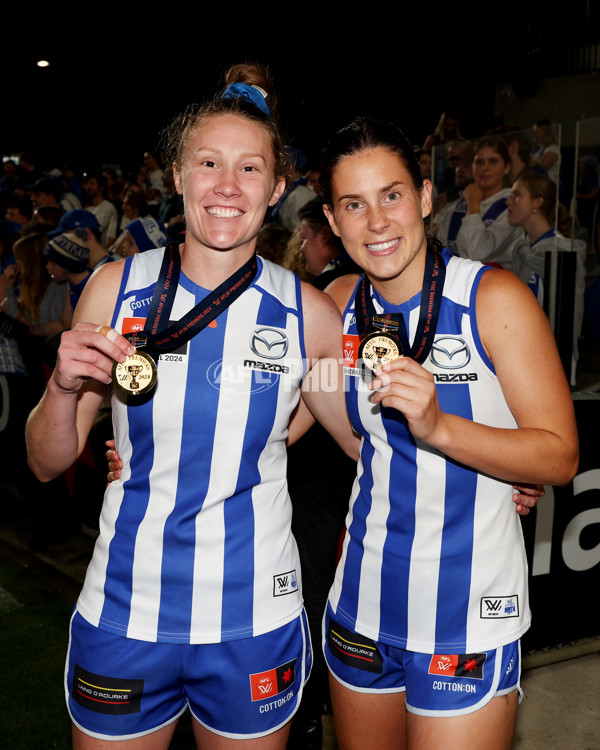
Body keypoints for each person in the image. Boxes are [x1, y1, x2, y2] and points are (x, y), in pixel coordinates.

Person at [25, 62, 357, 750]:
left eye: (249, 169)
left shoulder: (308, 313)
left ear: (276, 189)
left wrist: (491, 474)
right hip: (128, 607)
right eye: (209, 163)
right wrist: (61, 389)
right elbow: (45, 461)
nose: (228, 186)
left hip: (252, 620)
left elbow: (368, 444)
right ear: (177, 176)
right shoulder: (114, 287)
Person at [314, 116, 578, 750]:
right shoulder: (337, 303)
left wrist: (440, 428)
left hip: (467, 613)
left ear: (426, 197)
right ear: (331, 220)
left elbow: (560, 455)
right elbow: (281, 411)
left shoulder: (494, 297)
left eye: (392, 195)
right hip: (361, 604)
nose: (376, 222)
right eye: (354, 204)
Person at [507, 170, 586, 385]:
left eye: (517, 195)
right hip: (522, 358)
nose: (509, 201)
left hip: (552, 363)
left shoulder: (559, 253)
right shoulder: (523, 250)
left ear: (537, 202)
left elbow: (572, 317)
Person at [454, 135, 524, 269]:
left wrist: (473, 207)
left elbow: (479, 253)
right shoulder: (459, 205)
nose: (485, 168)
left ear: (507, 167)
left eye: (493, 162)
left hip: (499, 285)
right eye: (479, 162)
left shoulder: (513, 204)